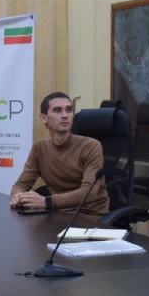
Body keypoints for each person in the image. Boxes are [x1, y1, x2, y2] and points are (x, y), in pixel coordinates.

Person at [10, 92, 109, 220]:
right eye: (57, 110)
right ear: (44, 118)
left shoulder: (91, 146)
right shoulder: (39, 148)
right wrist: (17, 196)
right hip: (57, 212)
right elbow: (22, 183)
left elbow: (89, 191)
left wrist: (46, 202)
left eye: (69, 110)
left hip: (89, 215)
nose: (65, 115)